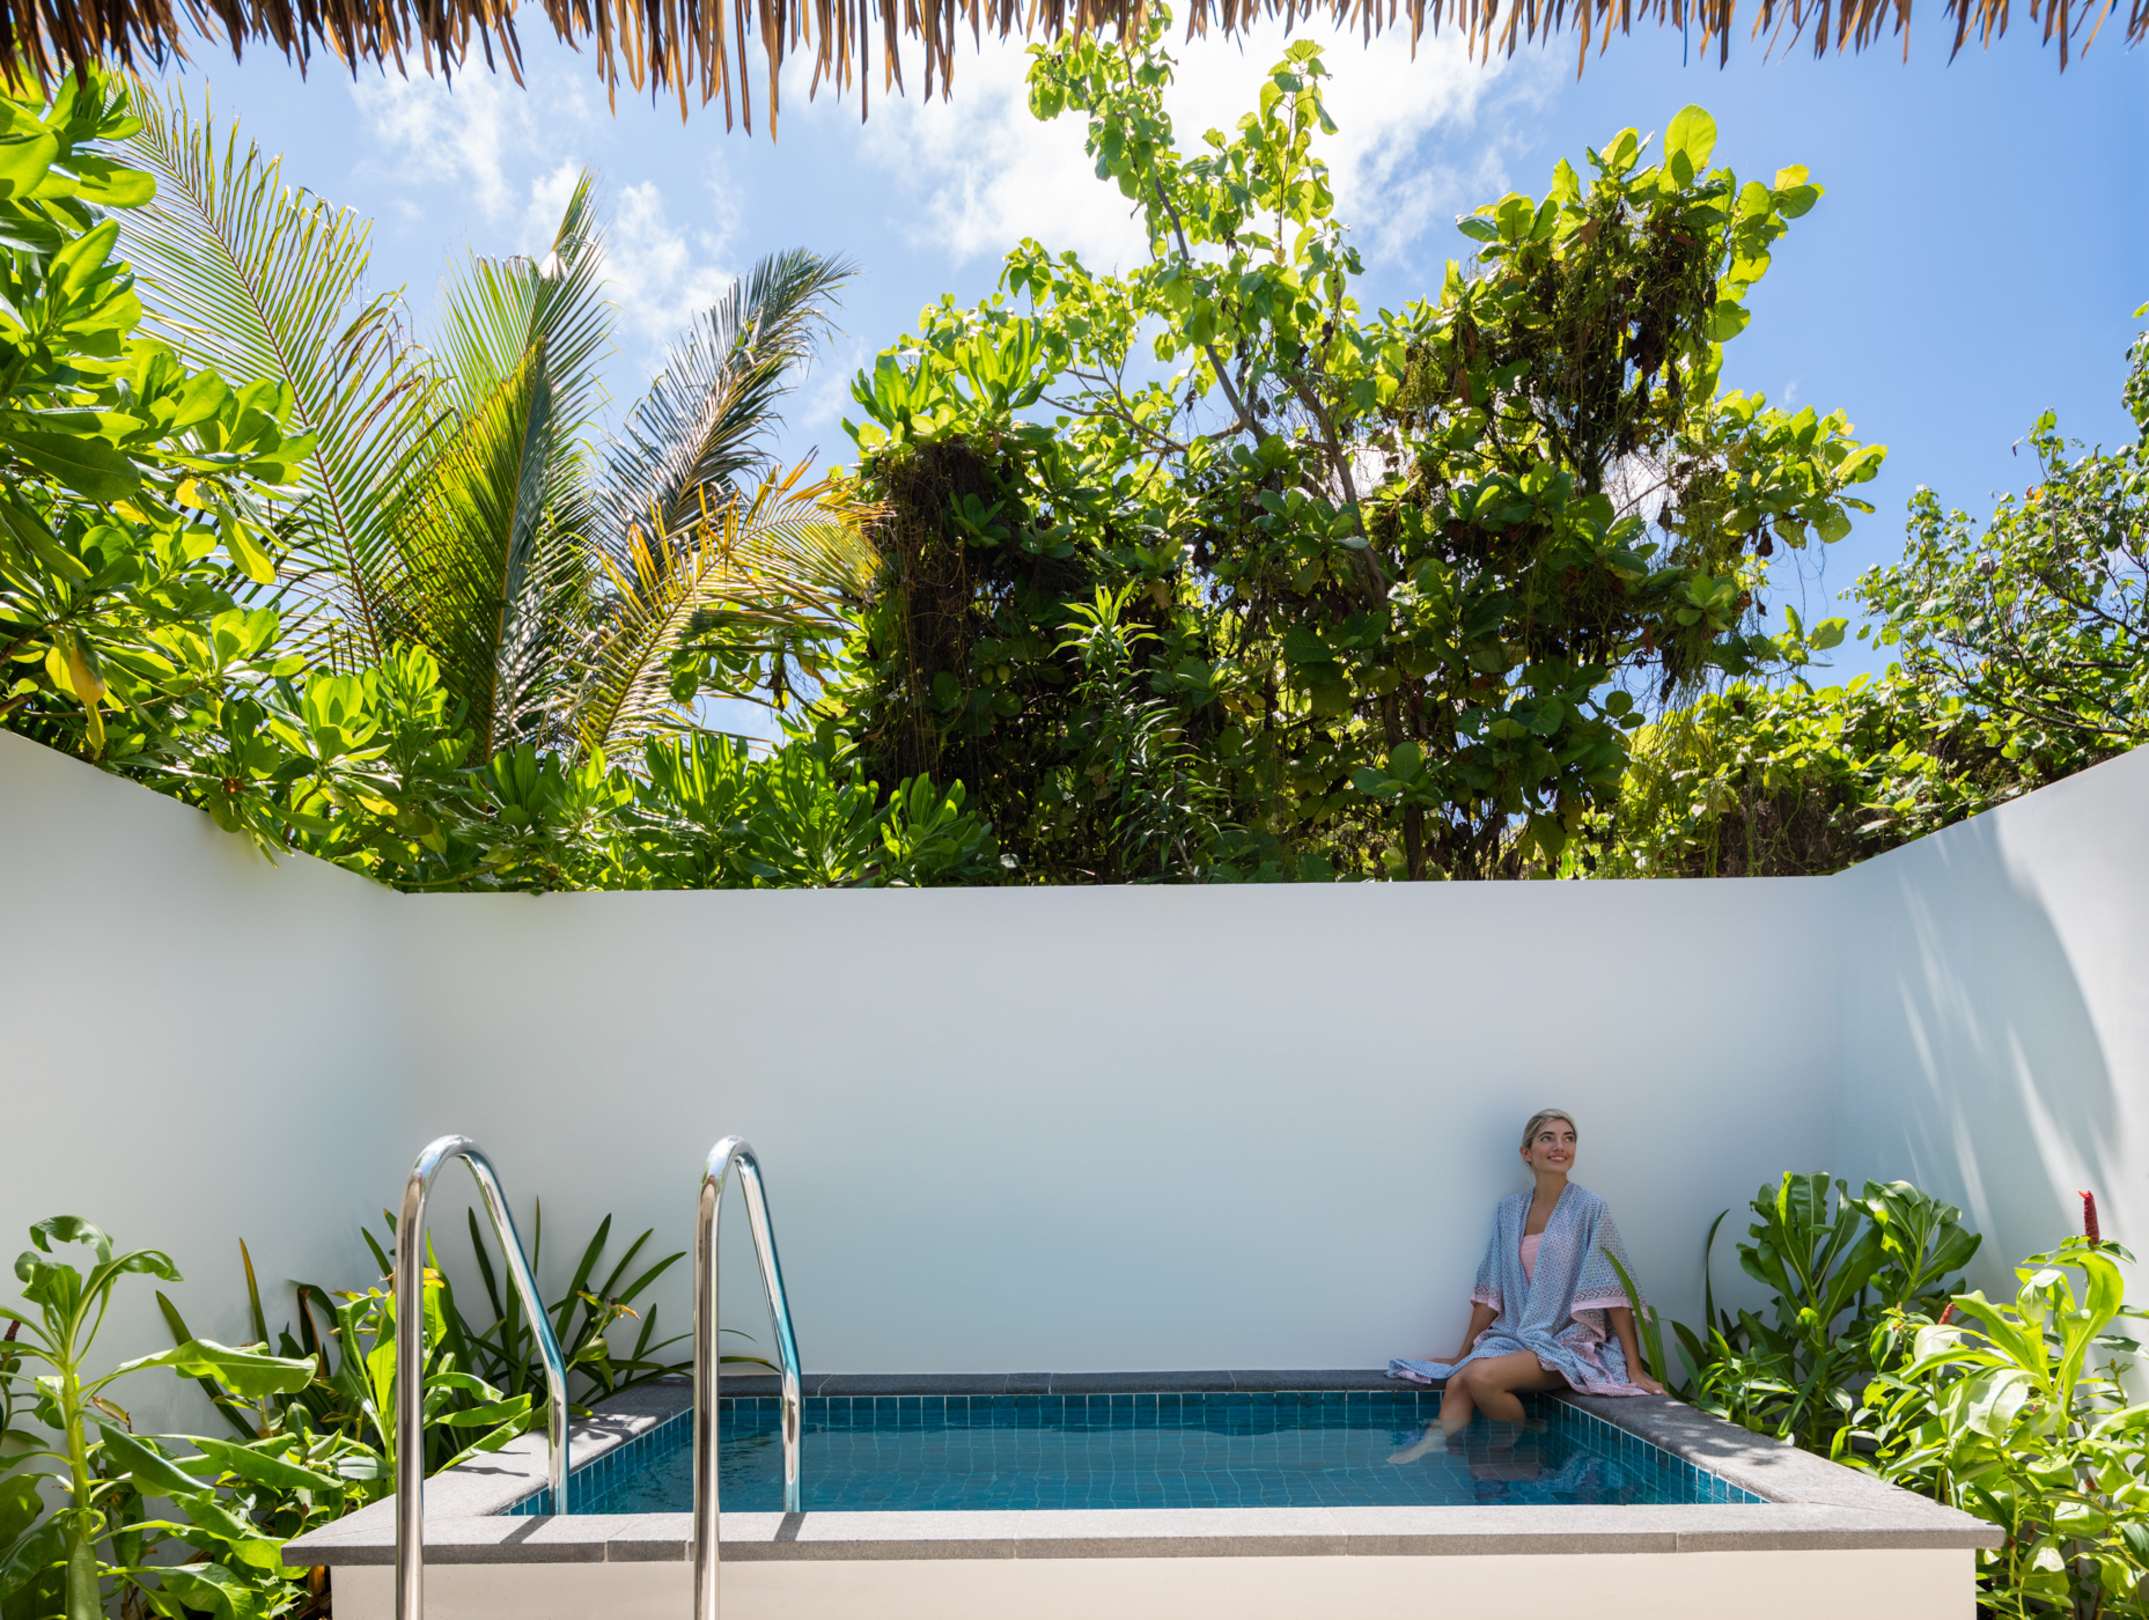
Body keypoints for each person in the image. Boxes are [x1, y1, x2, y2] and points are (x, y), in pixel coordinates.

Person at [1387, 1108, 1663, 1459]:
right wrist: (1462, 1352)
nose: (1560, 1146)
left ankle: (1525, 1441)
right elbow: (1490, 1291)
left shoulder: (1590, 1208)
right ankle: (1434, 1443)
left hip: (1566, 1340)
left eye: (1568, 1138)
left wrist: (1634, 1367)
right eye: (1548, 1138)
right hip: (1517, 1333)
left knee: (1480, 1378)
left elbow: (1611, 1290)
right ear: (1527, 1152)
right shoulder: (1509, 1211)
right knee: (1459, 1378)